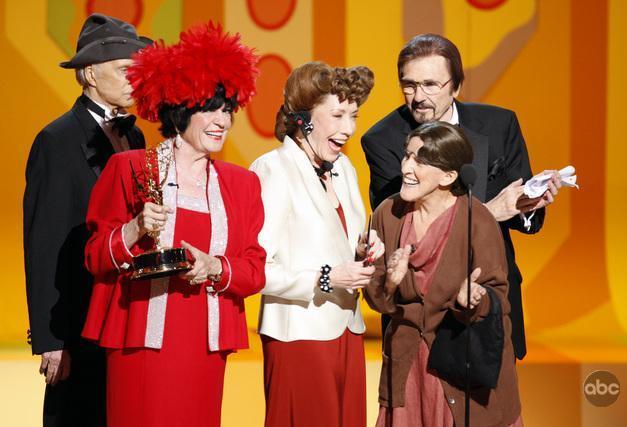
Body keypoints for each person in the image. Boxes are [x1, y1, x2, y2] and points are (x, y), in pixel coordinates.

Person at [79, 23, 265, 427]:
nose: (223, 121)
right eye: (210, 109)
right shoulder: (129, 169)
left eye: (228, 109)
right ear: (180, 110)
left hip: (205, 348)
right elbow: (94, 257)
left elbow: (254, 268)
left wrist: (215, 267)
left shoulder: (242, 184)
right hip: (140, 344)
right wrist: (134, 229)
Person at [361, 33, 561, 359]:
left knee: (495, 407)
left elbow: (530, 221)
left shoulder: (499, 125)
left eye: (430, 84)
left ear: (456, 86)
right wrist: (488, 213)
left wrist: (530, 205)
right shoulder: (382, 140)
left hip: (490, 299)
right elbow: (404, 229)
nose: (418, 97)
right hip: (422, 309)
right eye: (409, 85)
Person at [23, 13, 148, 426]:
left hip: (123, 316)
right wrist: (50, 339)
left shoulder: (136, 136)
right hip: (76, 319)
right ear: (90, 73)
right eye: (123, 70)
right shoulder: (56, 141)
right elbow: (43, 245)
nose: (134, 79)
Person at [250, 61, 384, 427]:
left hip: (346, 330)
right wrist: (327, 277)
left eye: (354, 116)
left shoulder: (344, 169)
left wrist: (365, 249)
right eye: (338, 115)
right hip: (299, 335)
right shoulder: (273, 169)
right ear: (304, 118)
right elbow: (257, 268)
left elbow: (345, 240)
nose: (349, 129)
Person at [365, 121, 523, 427]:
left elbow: (499, 299)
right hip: (409, 369)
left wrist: (476, 300)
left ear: (449, 176)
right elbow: (376, 298)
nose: (407, 167)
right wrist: (391, 282)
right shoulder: (388, 213)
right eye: (407, 155)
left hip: (461, 366)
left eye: (420, 161)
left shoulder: (476, 218)